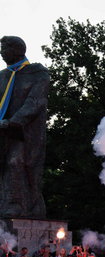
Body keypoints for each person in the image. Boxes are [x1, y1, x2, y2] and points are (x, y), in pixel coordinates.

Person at [0, 36, 50, 218]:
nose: (1, 52)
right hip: (3, 132)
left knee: (19, 164)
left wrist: (15, 121)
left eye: (4, 48)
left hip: (27, 132)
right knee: (5, 166)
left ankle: (21, 207)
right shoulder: (2, 76)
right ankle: (7, 205)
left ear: (17, 49)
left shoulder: (38, 73)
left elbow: (36, 101)